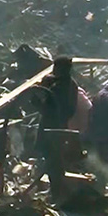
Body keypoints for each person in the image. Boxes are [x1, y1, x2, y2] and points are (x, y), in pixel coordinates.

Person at [36, 56, 78, 201]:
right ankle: (55, 191)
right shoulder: (72, 85)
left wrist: (37, 97)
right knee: (57, 161)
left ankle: (56, 194)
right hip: (63, 127)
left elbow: (46, 108)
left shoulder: (56, 88)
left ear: (60, 69)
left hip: (50, 128)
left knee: (52, 162)